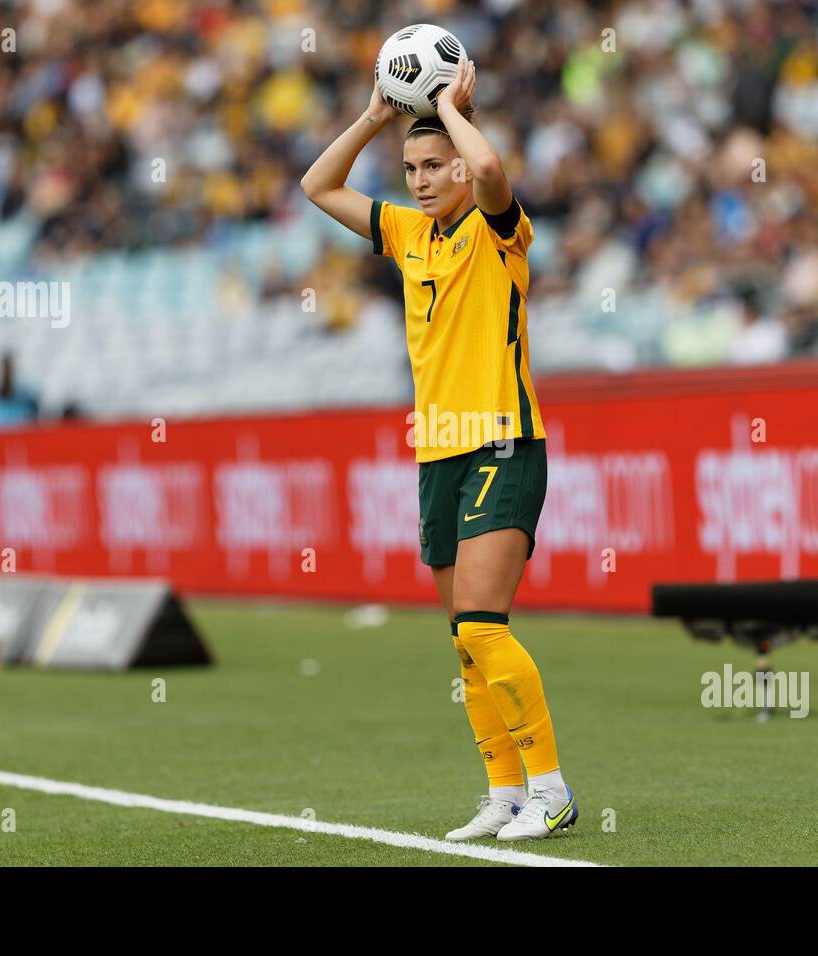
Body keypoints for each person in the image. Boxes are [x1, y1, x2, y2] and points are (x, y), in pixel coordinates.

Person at [300, 57, 575, 841]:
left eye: (433, 167)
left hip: (504, 444)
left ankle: (551, 790)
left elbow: (487, 165)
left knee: (484, 625)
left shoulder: (500, 231)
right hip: (439, 455)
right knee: (463, 643)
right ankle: (504, 793)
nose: (420, 181)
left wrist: (452, 108)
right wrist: (377, 116)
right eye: (411, 169)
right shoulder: (407, 234)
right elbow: (317, 187)